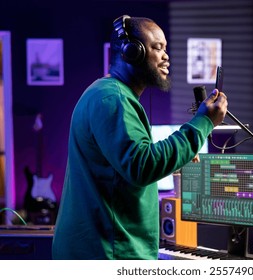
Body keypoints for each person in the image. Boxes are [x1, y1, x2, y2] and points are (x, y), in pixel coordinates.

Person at [52, 15, 228, 260]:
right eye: (157, 48)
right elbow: (141, 165)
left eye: (165, 48)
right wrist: (204, 122)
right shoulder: (113, 99)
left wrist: (178, 155)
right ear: (131, 52)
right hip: (108, 253)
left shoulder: (108, 93)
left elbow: (125, 166)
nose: (166, 56)